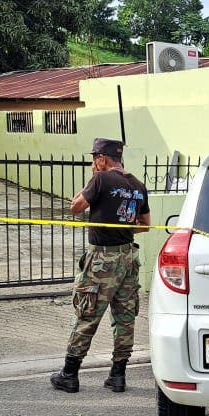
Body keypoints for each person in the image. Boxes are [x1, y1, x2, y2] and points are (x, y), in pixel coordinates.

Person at [50, 138, 150, 393]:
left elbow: (75, 208)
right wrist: (122, 226)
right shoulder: (138, 185)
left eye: (94, 158)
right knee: (125, 317)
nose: (93, 163)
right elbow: (146, 225)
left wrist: (92, 182)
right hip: (128, 258)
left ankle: (69, 374)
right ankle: (118, 376)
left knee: (88, 312)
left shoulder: (101, 179)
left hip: (102, 260)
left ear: (103, 159)